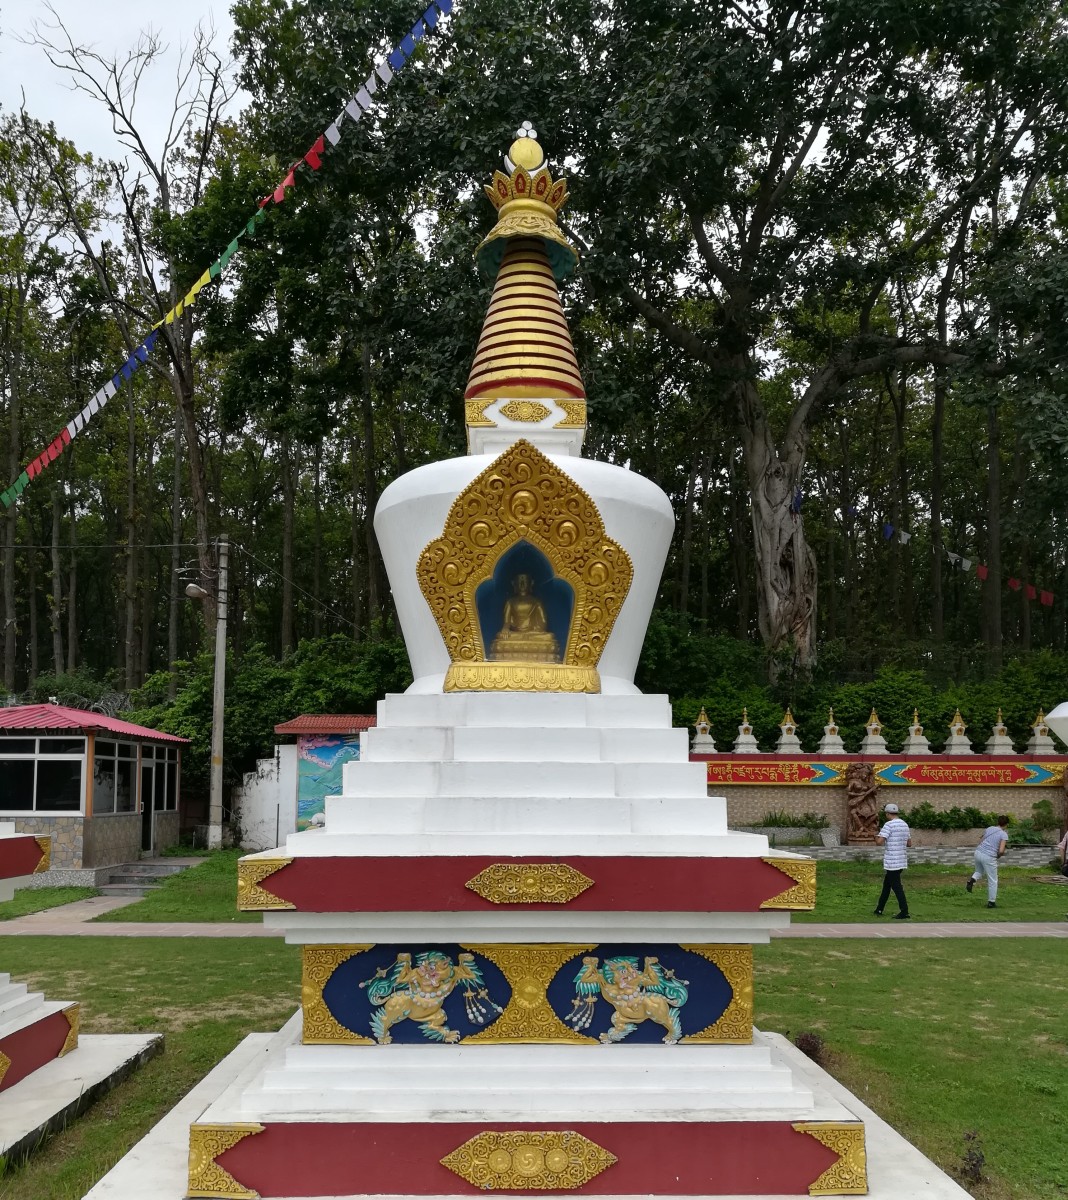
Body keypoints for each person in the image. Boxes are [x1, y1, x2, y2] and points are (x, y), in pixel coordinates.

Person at [874, 802, 911, 919]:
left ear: (887, 814)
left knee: (897, 887)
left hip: (891, 862)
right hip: (901, 860)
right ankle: (879, 909)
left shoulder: (888, 825)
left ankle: (904, 911)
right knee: (887, 885)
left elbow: (879, 842)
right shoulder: (904, 825)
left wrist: (875, 836)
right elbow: (909, 843)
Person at [966, 815, 1009, 908]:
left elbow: (981, 839)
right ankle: (991, 902)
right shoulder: (1003, 834)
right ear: (1006, 824)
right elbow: (1001, 851)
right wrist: (998, 856)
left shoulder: (989, 828)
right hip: (989, 856)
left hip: (978, 852)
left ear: (998, 822)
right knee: (993, 880)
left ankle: (971, 880)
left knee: (979, 871)